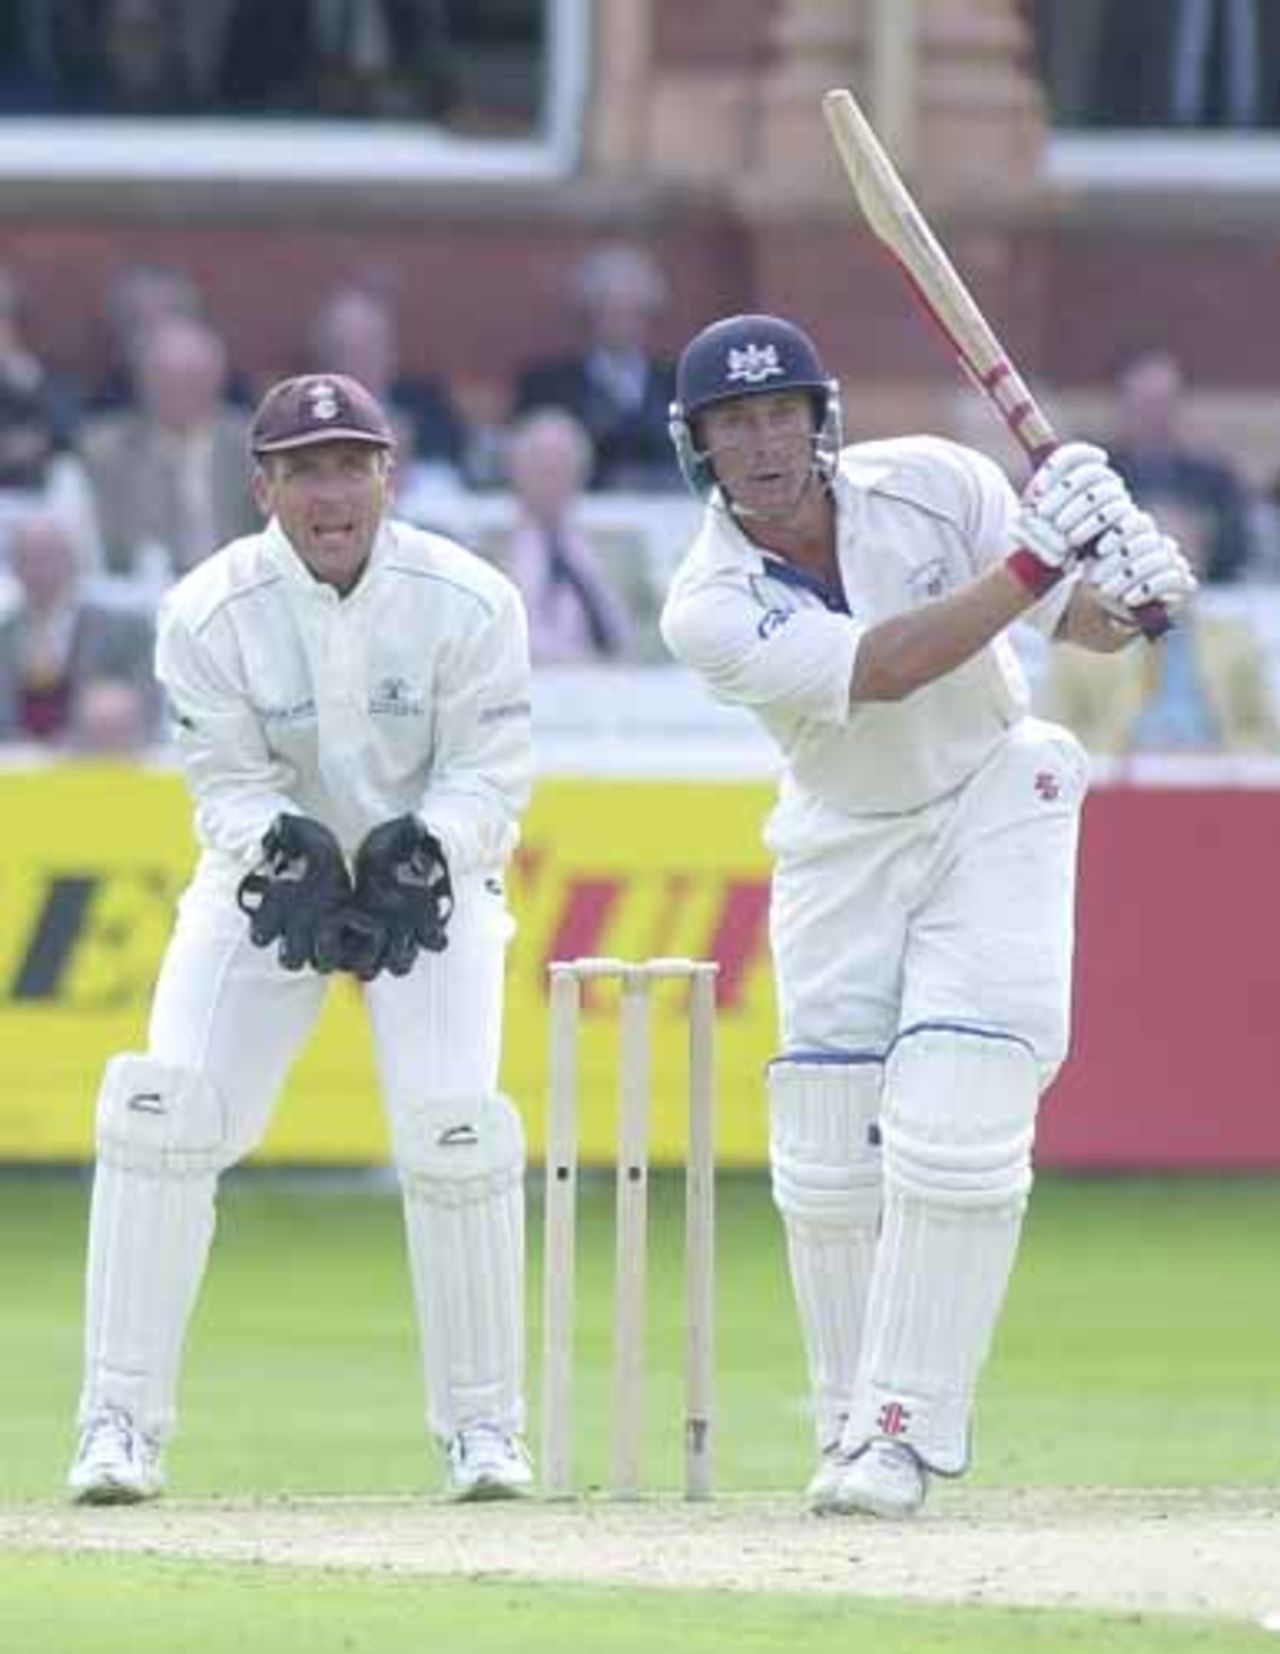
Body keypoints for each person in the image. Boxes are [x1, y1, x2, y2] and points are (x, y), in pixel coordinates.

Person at [660, 314, 1195, 1520]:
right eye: (731, 423)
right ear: (696, 446)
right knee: (824, 1147)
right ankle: (848, 1424)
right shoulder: (704, 602)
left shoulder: (935, 483)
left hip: (991, 796)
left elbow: (1083, 630)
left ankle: (901, 1431)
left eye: (778, 414)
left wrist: (1132, 587)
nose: (760, 443)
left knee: (956, 1111)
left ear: (819, 417)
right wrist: (1033, 563)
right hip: (840, 840)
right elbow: (879, 669)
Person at [66, 372, 535, 1506]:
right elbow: (223, 785)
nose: (331, 493)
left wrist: (429, 844)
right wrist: (283, 846)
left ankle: (484, 1434)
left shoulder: (468, 599)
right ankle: (116, 1428)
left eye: (349, 465)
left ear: (388, 473)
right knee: (161, 1114)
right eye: (304, 470)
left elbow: (491, 770)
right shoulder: (205, 608)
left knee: (453, 1136)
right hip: (266, 883)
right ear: (262, 486)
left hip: (428, 881)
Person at [1040, 492, 1280, 755]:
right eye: (1155, 555)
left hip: (1216, 776)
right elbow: (1055, 744)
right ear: (1124, 559)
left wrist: (1222, 756)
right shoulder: (1080, 644)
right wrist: (1125, 755)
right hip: (1117, 783)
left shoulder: (1237, 640)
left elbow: (1267, 736)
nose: (1171, 568)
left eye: (1187, 553)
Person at [79, 315, 258, 580]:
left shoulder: (254, 447)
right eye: (164, 378)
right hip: (136, 598)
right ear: (142, 382)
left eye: (192, 379)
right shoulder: (104, 450)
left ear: (217, 381)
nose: (178, 391)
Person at [514, 244, 680, 492]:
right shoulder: (547, 385)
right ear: (590, 313)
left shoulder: (676, 382)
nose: (622, 321)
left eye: (633, 311)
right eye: (611, 310)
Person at [0, 510, 155, 745]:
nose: (39, 570)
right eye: (27, 559)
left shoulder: (125, 632)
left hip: (95, 768)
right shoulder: (6, 634)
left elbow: (150, 700)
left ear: (73, 561)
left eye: (48, 557)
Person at [1104, 348, 1254, 583]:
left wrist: (1203, 538)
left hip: (1203, 594)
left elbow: (1238, 545)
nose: (1154, 415)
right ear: (1123, 404)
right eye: (1145, 404)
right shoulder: (1100, 473)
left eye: (1163, 404)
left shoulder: (1214, 476)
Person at [501, 408, 633, 664]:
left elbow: (649, 637)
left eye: (562, 468)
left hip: (610, 686)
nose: (551, 479)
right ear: (515, 473)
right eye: (541, 467)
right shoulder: (484, 554)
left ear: (580, 475)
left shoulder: (620, 550)